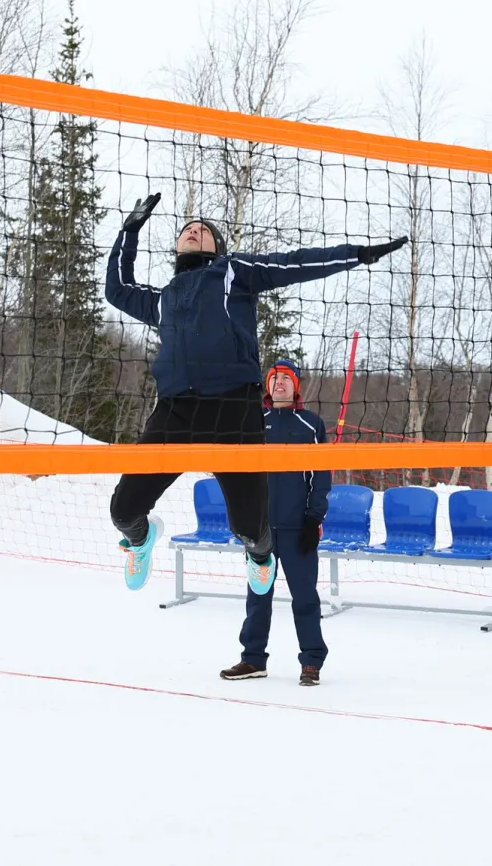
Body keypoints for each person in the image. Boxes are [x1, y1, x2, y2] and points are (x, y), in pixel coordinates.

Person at [104, 192, 405, 596]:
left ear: (218, 248)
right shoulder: (163, 300)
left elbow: (294, 264)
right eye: (188, 230)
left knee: (247, 526)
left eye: (205, 231)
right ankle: (140, 541)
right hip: (175, 411)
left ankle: (260, 556)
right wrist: (129, 231)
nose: (195, 230)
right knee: (123, 510)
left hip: (234, 408)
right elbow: (117, 289)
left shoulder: (234, 271)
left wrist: (355, 254)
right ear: (177, 247)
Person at [221, 358, 332, 686]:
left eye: (286, 377)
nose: (279, 382)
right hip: (261, 530)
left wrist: (314, 518)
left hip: (298, 527)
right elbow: (240, 475)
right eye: (274, 378)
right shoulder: (254, 421)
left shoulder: (311, 424)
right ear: (267, 386)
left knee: (305, 598)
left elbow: (321, 476)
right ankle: (252, 659)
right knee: (258, 597)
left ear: (296, 386)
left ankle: (311, 661)